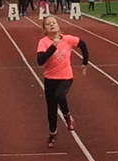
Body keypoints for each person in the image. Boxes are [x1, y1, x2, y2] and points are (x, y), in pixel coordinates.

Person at [36, 15, 88, 148]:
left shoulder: (68, 39)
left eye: (54, 22)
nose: (52, 25)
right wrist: (52, 46)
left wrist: (85, 61)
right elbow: (40, 61)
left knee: (60, 96)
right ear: (45, 29)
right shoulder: (43, 42)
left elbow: (82, 44)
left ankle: (67, 116)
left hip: (65, 77)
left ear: (58, 25)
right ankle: (53, 133)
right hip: (49, 79)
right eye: (48, 24)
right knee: (51, 109)